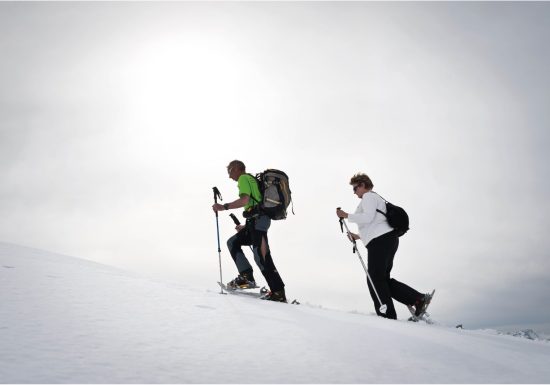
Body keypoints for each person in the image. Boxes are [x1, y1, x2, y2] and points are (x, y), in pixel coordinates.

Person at [336, 172, 431, 320]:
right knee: (382, 279)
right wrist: (358, 236)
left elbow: (368, 218)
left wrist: (346, 215)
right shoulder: (373, 198)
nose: (354, 193)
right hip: (385, 240)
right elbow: (375, 225)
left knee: (375, 279)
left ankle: (387, 316)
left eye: (355, 189)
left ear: (362, 185)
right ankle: (417, 299)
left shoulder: (369, 197)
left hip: (381, 242)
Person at [212, 160, 287, 302]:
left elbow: (245, 200)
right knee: (233, 242)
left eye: (230, 172)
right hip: (255, 222)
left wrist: (224, 207)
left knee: (262, 256)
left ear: (236, 169)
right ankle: (246, 277)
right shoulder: (250, 179)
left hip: (259, 221)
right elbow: (254, 203)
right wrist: (246, 227)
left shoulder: (243, 178)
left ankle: (278, 293)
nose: (229, 176)